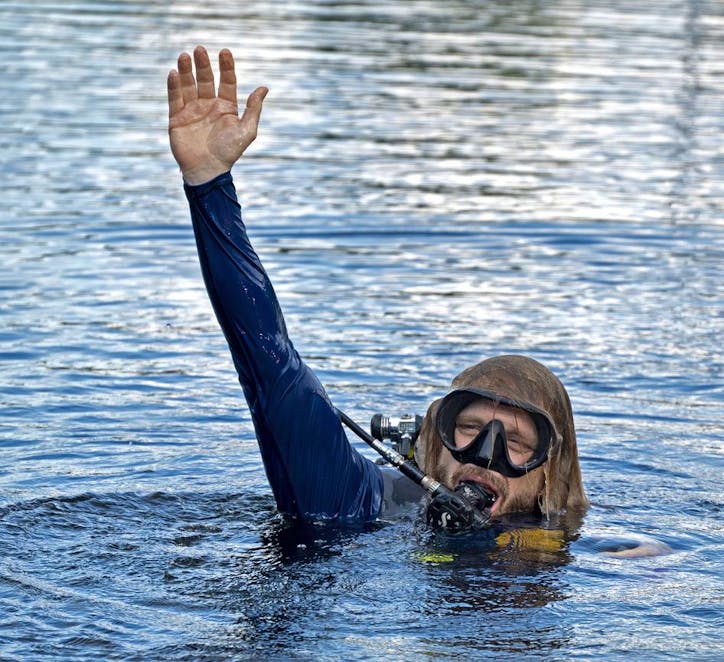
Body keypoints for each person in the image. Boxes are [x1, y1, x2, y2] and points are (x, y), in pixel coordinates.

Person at [167, 46, 589, 527]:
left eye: (515, 444)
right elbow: (272, 365)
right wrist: (209, 184)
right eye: (468, 429)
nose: (484, 456)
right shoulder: (365, 503)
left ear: (550, 474)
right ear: (433, 441)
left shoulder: (594, 554)